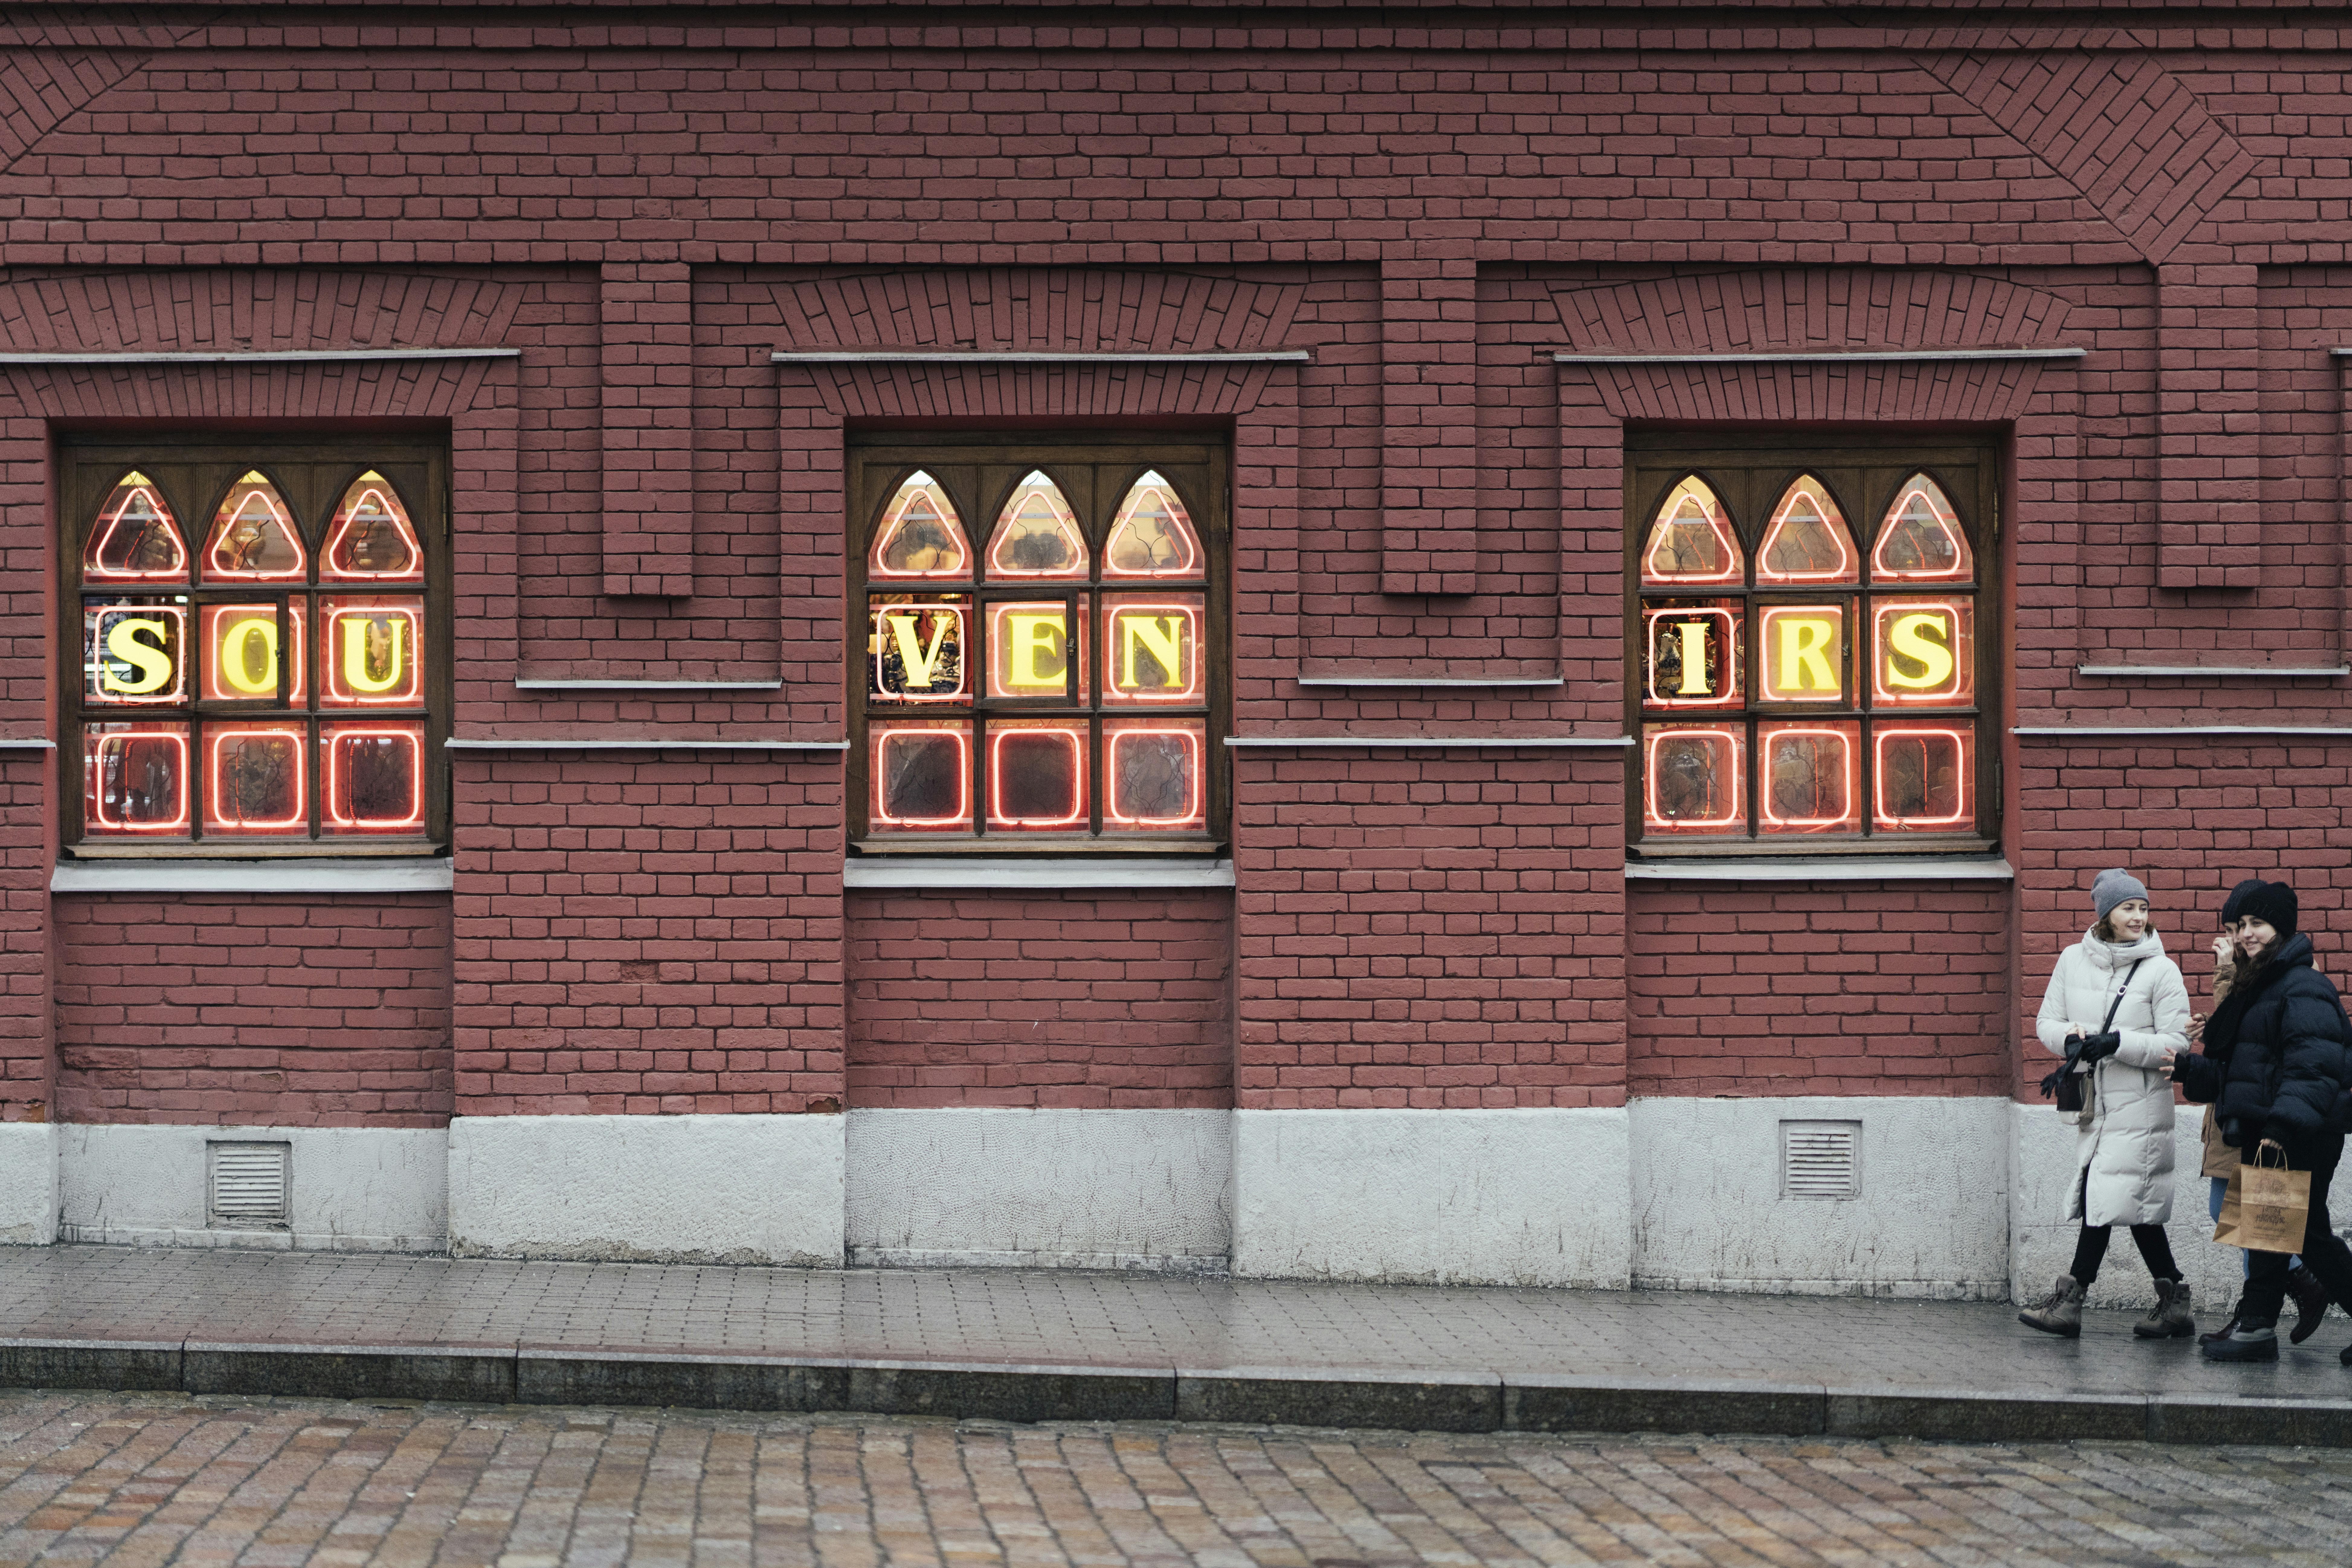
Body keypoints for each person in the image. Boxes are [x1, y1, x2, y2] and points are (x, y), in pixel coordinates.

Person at [2169, 881, 2352, 1361]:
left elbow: (2313, 1068)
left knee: (2302, 1236)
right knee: (2268, 1229)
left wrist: (2281, 1129)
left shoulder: (2304, 985)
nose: (2247, 934)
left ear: (2282, 928)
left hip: (2298, 1132)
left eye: (2258, 924)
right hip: (2271, 1128)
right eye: (2241, 926)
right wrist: (2192, 1068)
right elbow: (2246, 1071)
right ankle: (2255, 1328)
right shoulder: (2261, 983)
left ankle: (2256, 1326)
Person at [2019, 869, 2195, 1338]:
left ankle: (2070, 1301)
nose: (2138, 917)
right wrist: (2073, 1038)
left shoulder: (2162, 970)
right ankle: (2175, 1297)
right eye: (2128, 908)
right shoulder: (2072, 960)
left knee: (2107, 1196)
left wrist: (2118, 1042)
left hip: (2141, 1107)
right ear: (2105, 914)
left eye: (2143, 908)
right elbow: (2046, 1023)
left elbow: (2176, 1045)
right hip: (2094, 1106)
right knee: (2129, 1203)